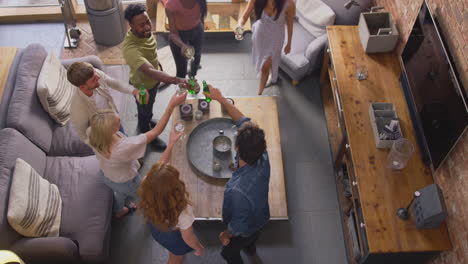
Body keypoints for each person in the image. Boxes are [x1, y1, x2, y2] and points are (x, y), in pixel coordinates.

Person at [88, 92, 187, 218]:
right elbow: (156, 131)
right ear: (112, 130)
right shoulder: (123, 148)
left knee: (120, 193)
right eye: (117, 121)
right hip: (127, 182)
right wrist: (171, 106)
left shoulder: (93, 133)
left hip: (106, 174)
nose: (119, 116)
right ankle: (148, 213)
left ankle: (118, 211)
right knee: (144, 197)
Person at [206, 85, 270, 264]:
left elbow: (239, 224)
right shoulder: (263, 155)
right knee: (252, 238)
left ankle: (246, 248)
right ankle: (251, 249)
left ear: (236, 148)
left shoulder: (237, 191)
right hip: (261, 216)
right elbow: (244, 121)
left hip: (244, 227)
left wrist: (227, 234)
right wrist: (220, 98)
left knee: (228, 254)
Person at [123, 3, 189, 151]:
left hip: (152, 82)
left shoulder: (144, 33)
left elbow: (152, 56)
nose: (147, 27)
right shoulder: (130, 50)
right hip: (142, 86)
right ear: (131, 26)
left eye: (147, 21)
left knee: (149, 105)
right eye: (141, 25)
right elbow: (150, 71)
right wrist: (176, 79)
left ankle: (147, 118)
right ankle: (146, 132)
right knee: (144, 109)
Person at [139, 128, 204, 264]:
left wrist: (171, 144)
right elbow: (188, 237)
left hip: (155, 227)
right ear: (175, 190)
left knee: (172, 251)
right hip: (173, 238)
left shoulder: (147, 183)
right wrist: (197, 247)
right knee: (175, 257)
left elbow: (160, 166)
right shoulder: (183, 211)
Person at [67, 61, 144, 144]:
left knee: (124, 137)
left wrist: (134, 91)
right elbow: (83, 135)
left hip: (113, 118)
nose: (98, 77)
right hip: (102, 133)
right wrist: (100, 148)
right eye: (94, 80)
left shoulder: (95, 75)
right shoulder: (77, 108)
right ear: (82, 87)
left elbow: (115, 83)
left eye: (95, 73)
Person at [238, 0, 295, 95]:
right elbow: (243, 18)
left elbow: (290, 24)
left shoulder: (289, 4)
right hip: (260, 35)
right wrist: (239, 25)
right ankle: (273, 76)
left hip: (276, 38)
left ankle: (259, 93)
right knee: (264, 60)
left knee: (265, 67)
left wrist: (289, 43)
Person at [164, 0, 207, 78]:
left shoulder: (201, 2)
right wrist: (182, 45)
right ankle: (182, 88)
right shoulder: (171, 5)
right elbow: (173, 33)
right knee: (181, 69)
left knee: (196, 58)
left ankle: (192, 78)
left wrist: (201, 31)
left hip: (197, 31)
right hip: (179, 35)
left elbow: (202, 18)